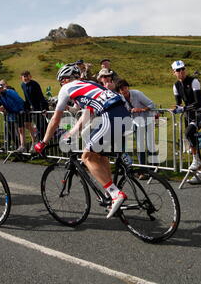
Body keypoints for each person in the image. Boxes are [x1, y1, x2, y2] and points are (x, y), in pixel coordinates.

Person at [34, 63, 131, 219]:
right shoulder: (90, 85)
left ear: (64, 80)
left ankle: (114, 194)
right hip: (124, 114)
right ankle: (110, 192)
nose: (61, 85)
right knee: (99, 155)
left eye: (61, 82)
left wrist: (44, 142)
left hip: (110, 115)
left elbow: (55, 118)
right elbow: (86, 116)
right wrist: (71, 133)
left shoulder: (66, 88)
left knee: (86, 157)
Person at [171, 60, 201, 183]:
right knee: (192, 138)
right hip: (189, 115)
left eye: (183, 69)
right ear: (174, 72)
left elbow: (199, 103)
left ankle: (196, 160)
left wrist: (184, 108)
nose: (181, 72)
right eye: (178, 70)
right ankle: (199, 175)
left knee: (188, 133)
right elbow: (178, 104)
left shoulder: (194, 81)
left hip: (200, 113)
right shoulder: (176, 86)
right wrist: (176, 108)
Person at [117, 79, 156, 169]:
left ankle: (154, 168)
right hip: (136, 122)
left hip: (148, 119)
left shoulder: (137, 94)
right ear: (119, 91)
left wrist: (142, 109)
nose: (125, 90)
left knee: (150, 144)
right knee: (140, 145)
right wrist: (129, 111)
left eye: (126, 88)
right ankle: (142, 168)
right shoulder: (120, 98)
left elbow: (151, 104)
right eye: (122, 89)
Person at [0, 82, 31, 153]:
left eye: (1, 88)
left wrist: (21, 110)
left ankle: (23, 148)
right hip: (10, 115)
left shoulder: (10, 92)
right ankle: (19, 148)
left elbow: (18, 100)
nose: (0, 90)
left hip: (19, 113)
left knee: (19, 131)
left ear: (3, 87)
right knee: (13, 133)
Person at [20, 71, 49, 145]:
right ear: (21, 78)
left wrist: (43, 108)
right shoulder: (23, 85)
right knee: (38, 126)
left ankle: (44, 141)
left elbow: (40, 96)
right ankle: (40, 142)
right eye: (24, 76)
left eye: (27, 76)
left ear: (30, 76)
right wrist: (26, 107)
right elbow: (27, 98)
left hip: (40, 107)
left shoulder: (34, 84)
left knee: (42, 126)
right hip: (33, 108)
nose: (26, 78)